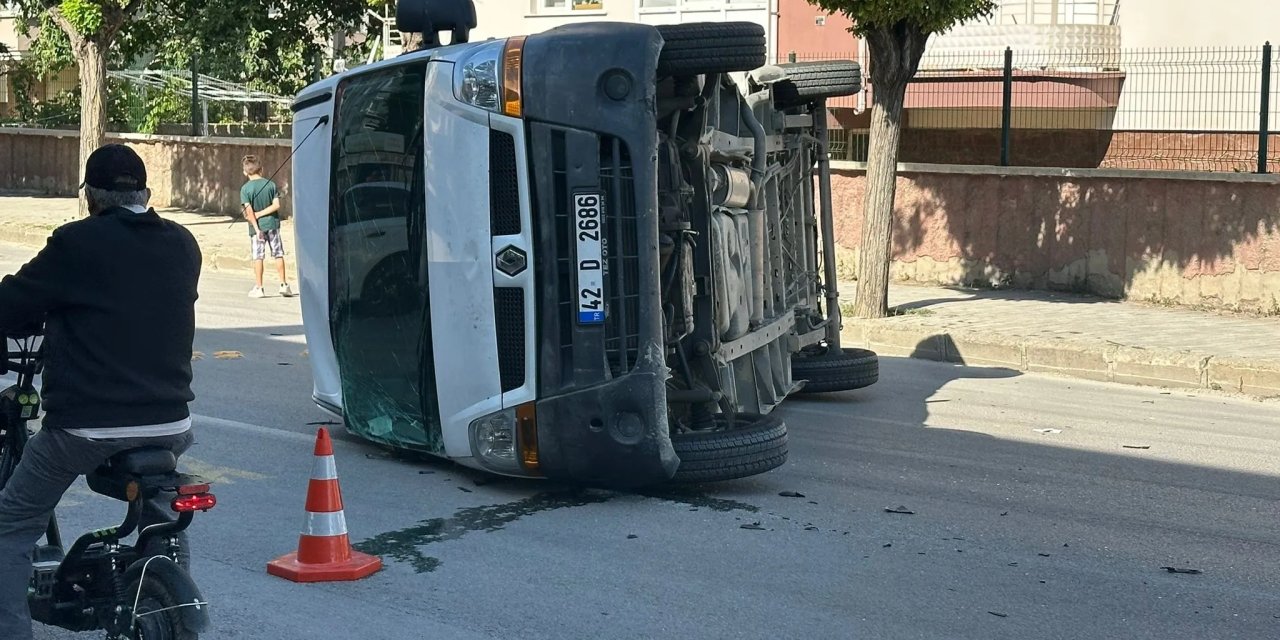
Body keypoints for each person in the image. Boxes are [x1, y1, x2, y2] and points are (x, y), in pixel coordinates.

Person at [0, 144, 202, 640]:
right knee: (161, 518)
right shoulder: (183, 243)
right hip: (172, 425)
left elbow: (14, 302)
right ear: (144, 192)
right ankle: (160, 576)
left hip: (89, 427)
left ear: (91, 196)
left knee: (12, 522)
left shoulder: (76, 243)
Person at [240, 154, 293, 298]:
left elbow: (249, 212)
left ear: (245, 172)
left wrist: (257, 225)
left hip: (256, 228)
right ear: (261, 169)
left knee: (258, 256)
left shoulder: (245, 189)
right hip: (272, 224)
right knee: (278, 253)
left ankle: (259, 287)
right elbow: (276, 205)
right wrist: (262, 213)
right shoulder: (271, 185)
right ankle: (283, 284)